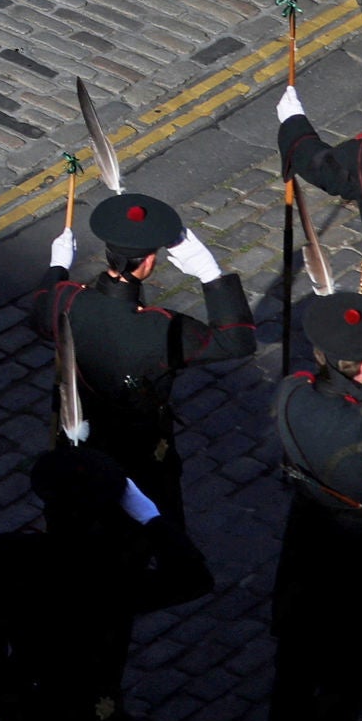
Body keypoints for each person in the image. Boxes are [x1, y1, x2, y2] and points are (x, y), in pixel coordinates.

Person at [25, 187, 250, 568]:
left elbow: (41, 309)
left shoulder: (67, 299)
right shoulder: (158, 328)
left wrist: (57, 266)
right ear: (148, 263)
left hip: (78, 438)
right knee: (150, 525)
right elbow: (236, 341)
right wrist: (209, 272)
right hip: (139, 450)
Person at [0, 442, 197, 721]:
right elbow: (192, 578)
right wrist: (150, 516)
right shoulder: (111, 574)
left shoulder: (8, 559)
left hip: (27, 718)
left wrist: (0, 714)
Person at [271, 290, 362, 721]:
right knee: (341, 688)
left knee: (291, 675)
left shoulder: (291, 392)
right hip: (355, 565)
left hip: (304, 550)